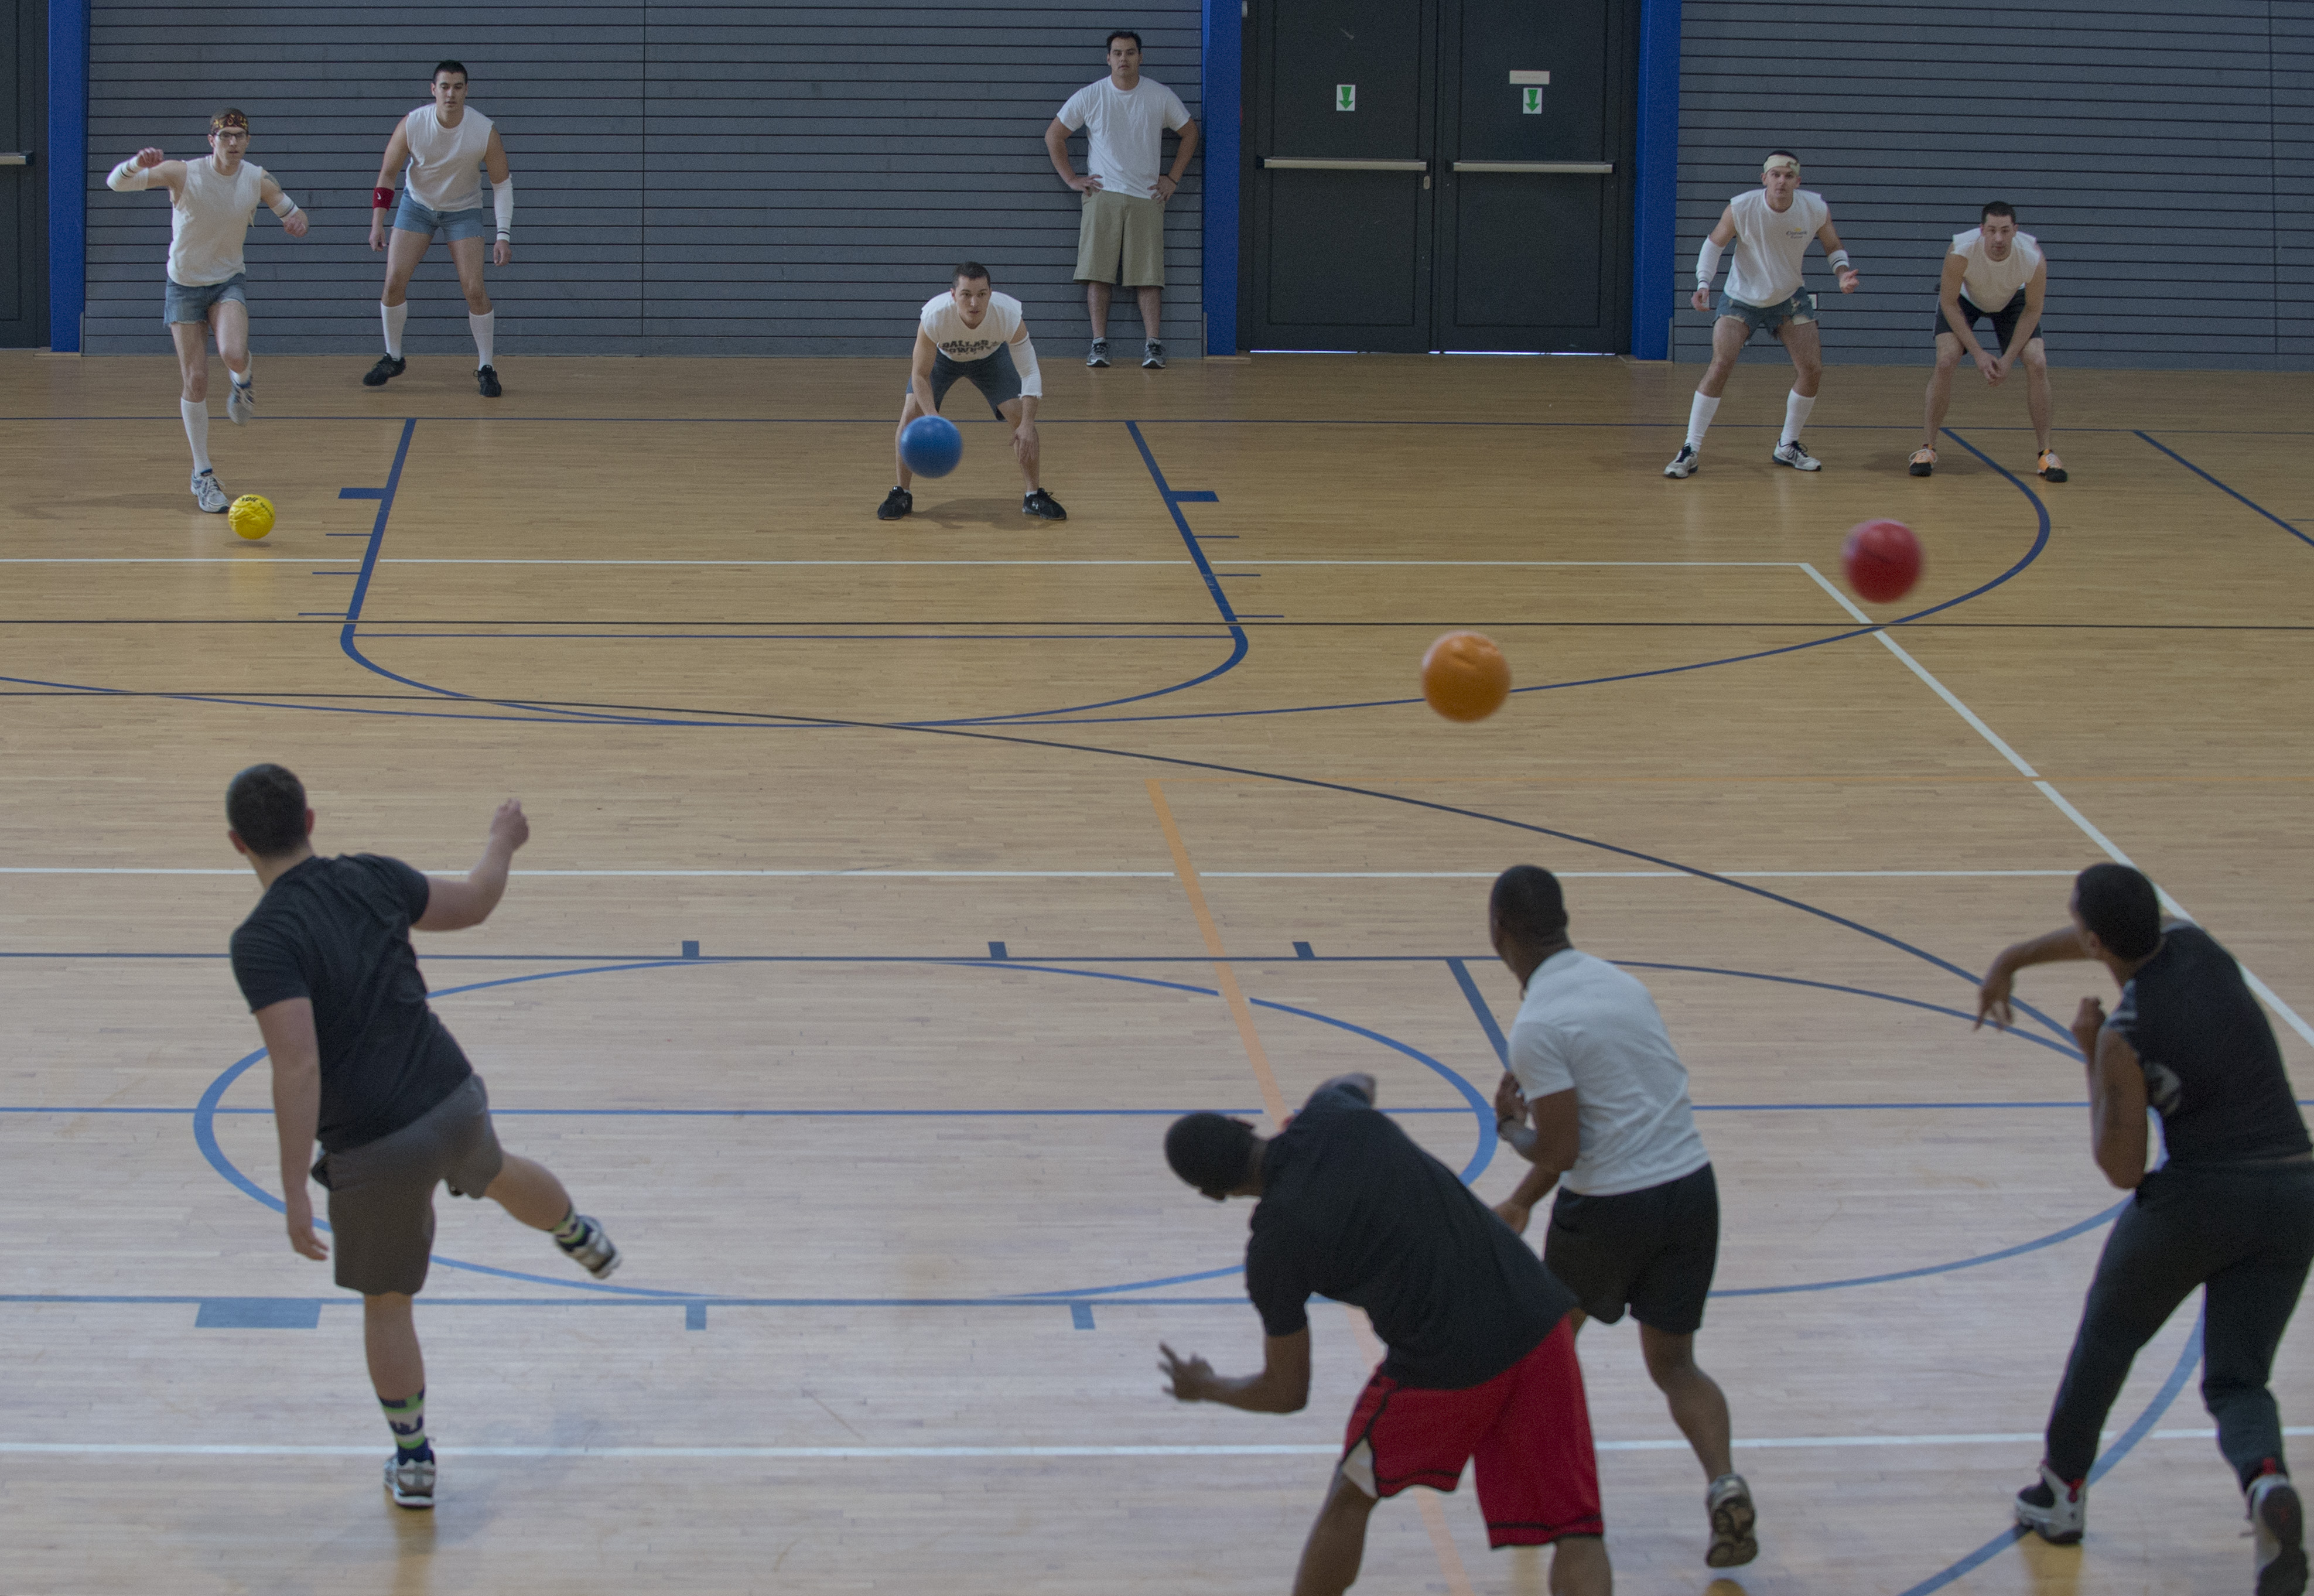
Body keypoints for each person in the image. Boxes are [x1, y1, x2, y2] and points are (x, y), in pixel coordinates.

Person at [224, 764, 620, 1511]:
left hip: (377, 1146)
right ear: (311, 820)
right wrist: (502, 840)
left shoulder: (263, 940)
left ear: (238, 844)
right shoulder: (372, 876)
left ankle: (413, 1462)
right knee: (498, 1170)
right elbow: (473, 903)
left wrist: (291, 1193)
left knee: (387, 1302)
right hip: (452, 1093)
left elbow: (299, 1065)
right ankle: (578, 1232)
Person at [1977, 863, 2310, 1595]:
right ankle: (2265, 1482)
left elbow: (2123, 1168)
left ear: (2099, 941)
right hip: (2295, 1191)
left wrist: (2091, 1057)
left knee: (2109, 1334)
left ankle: (2061, 1495)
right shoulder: (2199, 945)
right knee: (2237, 1376)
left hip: (2200, 1198)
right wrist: (2014, 957)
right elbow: (2101, 934)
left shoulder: (2125, 1034)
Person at [1160, 1075, 1611, 1596]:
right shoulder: (1334, 1113)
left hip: (1444, 1363)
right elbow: (1359, 1081)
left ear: (1213, 1193)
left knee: (1351, 1496)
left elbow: (1288, 1392)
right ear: (1243, 1124)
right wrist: (1317, 1114)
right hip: (1537, 1314)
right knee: (1577, 1526)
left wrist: (1207, 1385)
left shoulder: (1274, 1248)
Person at [1486, 864, 1757, 1569]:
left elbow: (1565, 1146)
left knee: (1544, 1355)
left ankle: (1547, 1506)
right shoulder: (1624, 985)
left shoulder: (1538, 1025)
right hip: (1692, 1191)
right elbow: (1628, 1108)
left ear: (1499, 932)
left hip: (1608, 1211)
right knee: (1676, 1364)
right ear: (1564, 920)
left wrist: (1513, 1139)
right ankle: (1725, 1483)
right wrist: (1527, 1175)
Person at [104, 111, 308, 514]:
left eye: (241, 136)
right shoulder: (183, 173)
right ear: (211, 140)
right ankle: (203, 474)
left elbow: (289, 209)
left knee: (234, 352)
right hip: (183, 284)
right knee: (195, 380)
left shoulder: (256, 178)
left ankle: (242, 382)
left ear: (248, 141)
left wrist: (296, 220)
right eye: (226, 136)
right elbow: (116, 184)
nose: (233, 143)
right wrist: (135, 165)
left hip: (226, 280)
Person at [1668, 151, 1858, 479]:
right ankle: (1690, 449)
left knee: (1812, 369)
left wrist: (1841, 273)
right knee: (1720, 366)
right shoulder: (1741, 207)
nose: (1781, 181)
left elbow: (1832, 245)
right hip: (1740, 298)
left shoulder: (1814, 208)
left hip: (1788, 298)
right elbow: (1715, 244)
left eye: (1788, 176)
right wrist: (1703, 283)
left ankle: (1788, 445)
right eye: (1775, 175)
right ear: (1764, 179)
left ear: (1798, 181)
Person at [1044, 30, 1198, 370]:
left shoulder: (1160, 96)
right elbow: (1054, 135)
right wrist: (1072, 179)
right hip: (1102, 196)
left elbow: (1190, 133)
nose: (1123, 59)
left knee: (1148, 276)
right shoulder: (1091, 95)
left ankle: (1153, 345)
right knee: (1098, 275)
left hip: (1147, 197)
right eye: (1117, 53)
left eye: (1130, 52)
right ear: (1108, 59)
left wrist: (1172, 178)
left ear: (1141, 57)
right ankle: (1099, 345)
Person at [362, 61, 514, 397]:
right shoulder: (413, 124)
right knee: (393, 282)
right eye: (445, 86)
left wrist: (503, 235)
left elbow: (502, 184)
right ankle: (394, 356)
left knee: (474, 289)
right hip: (417, 207)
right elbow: (388, 174)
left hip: (463, 211)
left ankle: (486, 366)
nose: (451, 94)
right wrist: (378, 222)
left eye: (458, 87)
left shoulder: (483, 130)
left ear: (466, 91)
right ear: (434, 90)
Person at [876, 263, 1067, 522]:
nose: (974, 302)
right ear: (953, 295)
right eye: (966, 294)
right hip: (944, 360)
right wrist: (933, 417)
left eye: (981, 294)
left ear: (991, 293)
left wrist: (1028, 423)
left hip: (990, 359)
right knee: (910, 415)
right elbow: (919, 374)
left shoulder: (1008, 314)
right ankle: (902, 493)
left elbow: (1030, 373)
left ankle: (1033, 495)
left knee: (1020, 419)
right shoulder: (934, 316)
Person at [1912, 201, 2065, 482]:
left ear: (2015, 231)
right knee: (1946, 360)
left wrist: (2006, 361)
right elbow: (1948, 302)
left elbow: (2033, 311)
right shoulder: (1961, 251)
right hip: (1964, 299)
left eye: (2005, 231)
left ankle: (2046, 453)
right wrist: (1979, 353)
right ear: (1982, 230)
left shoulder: (2032, 257)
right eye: (1992, 230)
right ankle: (1927, 448)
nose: (1998, 238)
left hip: (2012, 300)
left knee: (2038, 362)